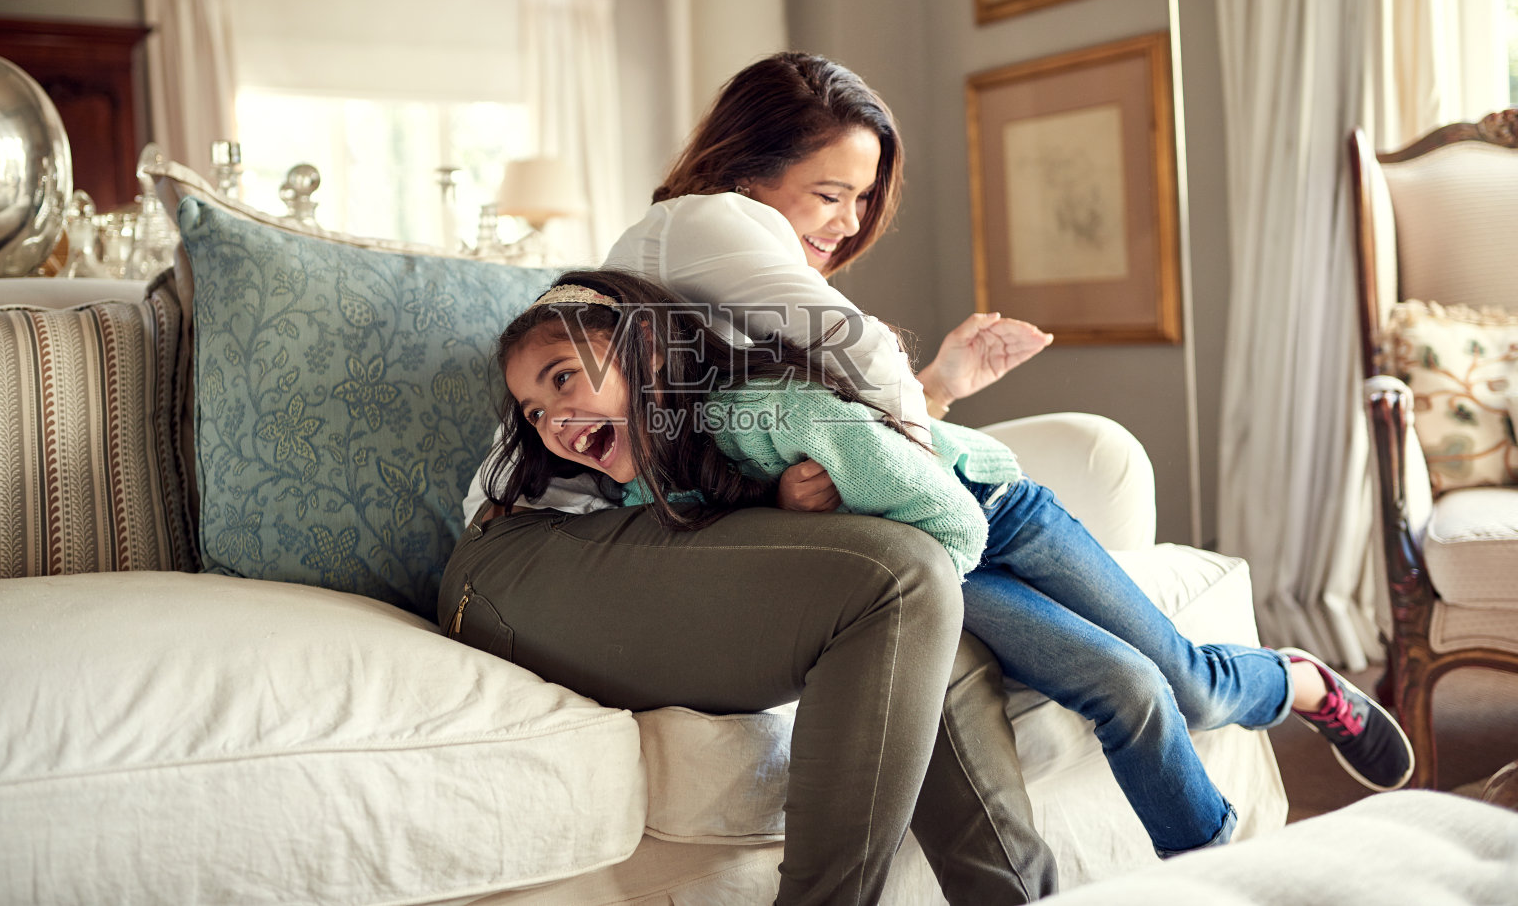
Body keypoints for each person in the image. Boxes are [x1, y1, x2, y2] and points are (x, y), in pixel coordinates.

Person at [490, 267, 1418, 861]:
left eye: (564, 380)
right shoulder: (638, 494)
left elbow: (940, 517)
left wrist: (884, 565)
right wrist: (778, 512)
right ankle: (1219, 877)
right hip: (924, 577)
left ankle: (1299, 683)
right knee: (1127, 689)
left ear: (642, 353)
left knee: (1190, 686)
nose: (555, 423)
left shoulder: (762, 411)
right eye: (534, 411)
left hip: (992, 521)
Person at [448, 53, 1063, 905]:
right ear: (747, 173)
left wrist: (933, 403)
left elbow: (801, 426)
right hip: (522, 563)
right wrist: (920, 488)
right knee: (903, 574)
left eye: (862, 198)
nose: (848, 224)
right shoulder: (706, 224)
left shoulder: (727, 290)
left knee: (927, 619)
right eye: (828, 193)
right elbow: (867, 357)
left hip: (639, 536)